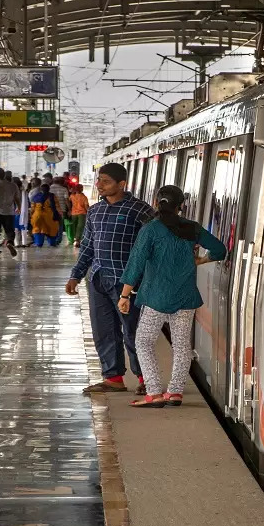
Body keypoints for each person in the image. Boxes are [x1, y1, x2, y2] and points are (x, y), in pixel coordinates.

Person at [119, 185, 227, 408]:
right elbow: (219, 249)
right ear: (181, 206)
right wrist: (202, 260)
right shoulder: (192, 228)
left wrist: (124, 295)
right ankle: (175, 392)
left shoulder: (150, 229)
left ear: (157, 203)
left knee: (143, 342)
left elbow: (135, 264)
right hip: (185, 297)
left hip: (155, 298)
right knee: (181, 345)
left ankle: (154, 392)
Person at [66, 163, 155, 394]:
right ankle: (113, 378)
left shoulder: (140, 211)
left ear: (122, 184)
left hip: (128, 282)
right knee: (104, 331)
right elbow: (87, 247)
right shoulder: (95, 211)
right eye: (98, 180)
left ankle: (146, 378)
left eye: (105, 181)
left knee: (133, 331)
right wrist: (75, 275)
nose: (99, 185)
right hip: (98, 278)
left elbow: (155, 244)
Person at [0, 168, 20, 258]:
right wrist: (19, 207)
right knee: (9, 230)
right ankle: (9, 242)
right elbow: (17, 198)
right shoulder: (13, 185)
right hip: (9, 212)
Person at [68, 183, 90, 247]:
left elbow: (69, 202)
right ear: (81, 189)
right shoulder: (84, 197)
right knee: (80, 227)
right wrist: (89, 212)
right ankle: (78, 240)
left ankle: (73, 239)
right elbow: (86, 206)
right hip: (82, 213)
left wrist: (69, 210)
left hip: (73, 213)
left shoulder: (72, 196)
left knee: (74, 226)